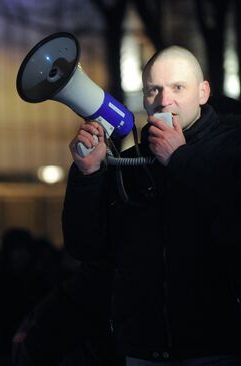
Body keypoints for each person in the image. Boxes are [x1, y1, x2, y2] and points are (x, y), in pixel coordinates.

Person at [62, 45, 241, 365]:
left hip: (218, 346)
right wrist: (88, 176)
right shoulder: (130, 164)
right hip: (143, 349)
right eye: (153, 90)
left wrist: (179, 159)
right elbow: (87, 247)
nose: (163, 100)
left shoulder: (231, 150)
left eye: (178, 87)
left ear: (204, 92)